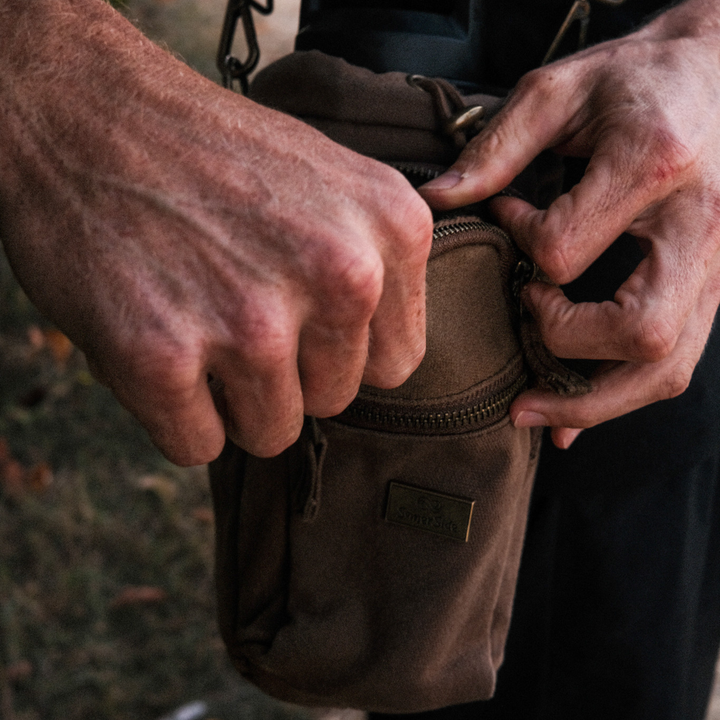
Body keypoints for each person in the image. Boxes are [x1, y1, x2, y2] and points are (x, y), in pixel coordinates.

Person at [1, 0, 720, 717]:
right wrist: (46, 72)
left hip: (664, 143)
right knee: (405, 636)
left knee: (627, 627)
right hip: (391, 100)